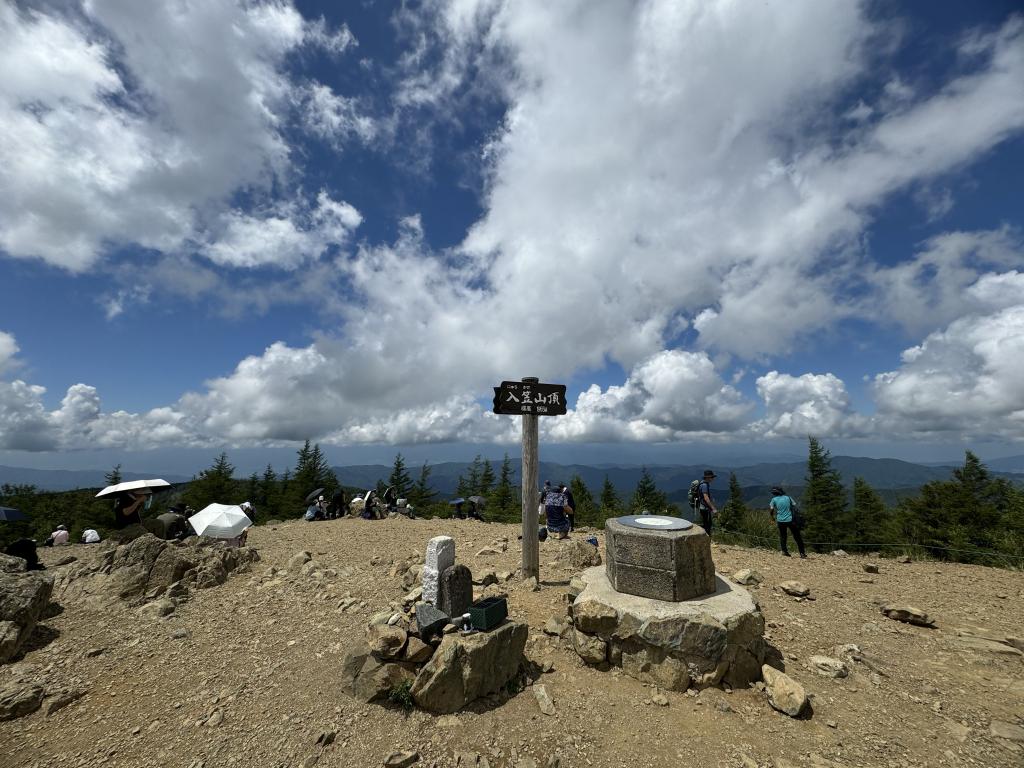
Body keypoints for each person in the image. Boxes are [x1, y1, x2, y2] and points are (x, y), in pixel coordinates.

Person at [769, 486, 807, 558]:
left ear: (774, 493)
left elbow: (771, 509)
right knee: (797, 536)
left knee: (783, 536)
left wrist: (772, 517)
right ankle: (802, 553)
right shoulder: (788, 498)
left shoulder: (773, 500)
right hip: (790, 520)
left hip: (780, 520)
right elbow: (794, 506)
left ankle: (784, 551)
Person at [696, 470, 718, 535]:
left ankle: (703, 537)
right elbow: (706, 498)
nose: (713, 478)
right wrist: (713, 508)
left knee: (706, 523)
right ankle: (707, 539)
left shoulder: (702, 484)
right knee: (708, 524)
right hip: (705, 508)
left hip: (702, 507)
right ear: (708, 477)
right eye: (712, 477)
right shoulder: (704, 485)